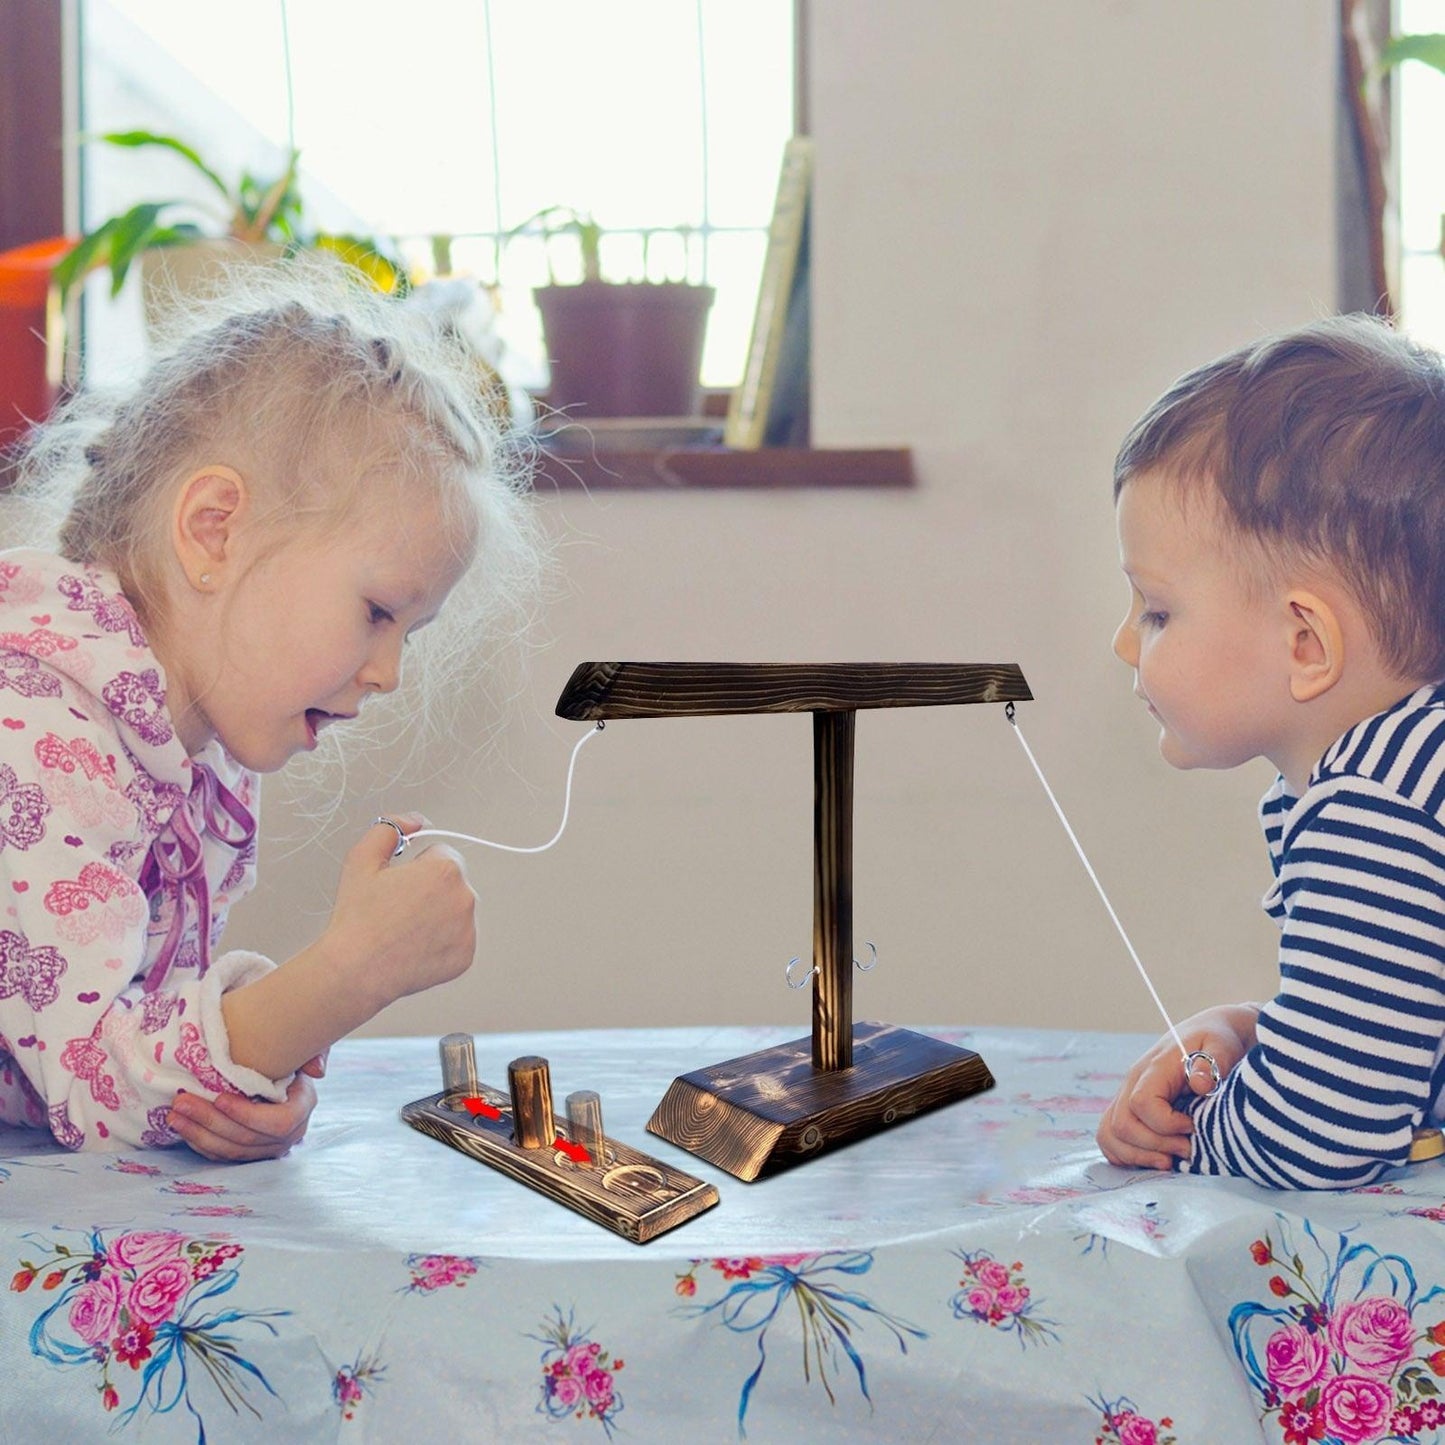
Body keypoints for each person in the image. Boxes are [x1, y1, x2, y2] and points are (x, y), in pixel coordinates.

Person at [0, 256, 543, 1160]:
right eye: (377, 613)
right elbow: (101, 1086)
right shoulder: (34, 734)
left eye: (410, 632)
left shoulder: (186, 749)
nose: (388, 673)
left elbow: (133, 1044)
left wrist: (252, 1077)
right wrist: (343, 977)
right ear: (214, 529)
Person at [1096, 313, 1445, 1189]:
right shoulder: (1410, 768)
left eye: (1157, 610)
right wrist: (1254, 1032)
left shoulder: (1373, 805)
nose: (1124, 643)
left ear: (1304, 644)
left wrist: (1188, 1136)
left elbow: (1319, 1137)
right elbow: (1399, 1041)